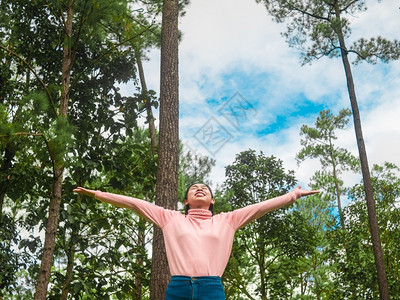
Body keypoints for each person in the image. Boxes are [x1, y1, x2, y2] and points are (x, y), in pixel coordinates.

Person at [73, 183, 319, 300]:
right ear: (186, 201)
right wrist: (97, 194)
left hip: (212, 289)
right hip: (178, 288)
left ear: (212, 200)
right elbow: (134, 203)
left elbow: (261, 207)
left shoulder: (228, 220)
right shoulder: (170, 218)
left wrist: (292, 195)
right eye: (194, 188)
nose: (199, 189)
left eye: (205, 188)